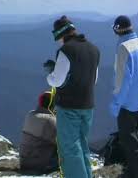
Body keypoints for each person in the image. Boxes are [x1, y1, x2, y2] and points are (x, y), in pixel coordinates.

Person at [43, 15, 100, 178]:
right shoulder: (94, 49)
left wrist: (50, 73)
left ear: (61, 34)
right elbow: (93, 79)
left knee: (69, 148)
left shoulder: (66, 50)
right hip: (88, 106)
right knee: (82, 145)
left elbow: (56, 81)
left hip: (69, 107)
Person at [110, 15, 138, 178]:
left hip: (127, 103)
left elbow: (123, 79)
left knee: (130, 142)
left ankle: (137, 174)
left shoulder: (123, 47)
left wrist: (116, 103)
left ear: (117, 29)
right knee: (137, 138)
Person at [19, 90, 58, 175]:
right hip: (40, 165)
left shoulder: (30, 114)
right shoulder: (50, 120)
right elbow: (61, 140)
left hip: (25, 162)